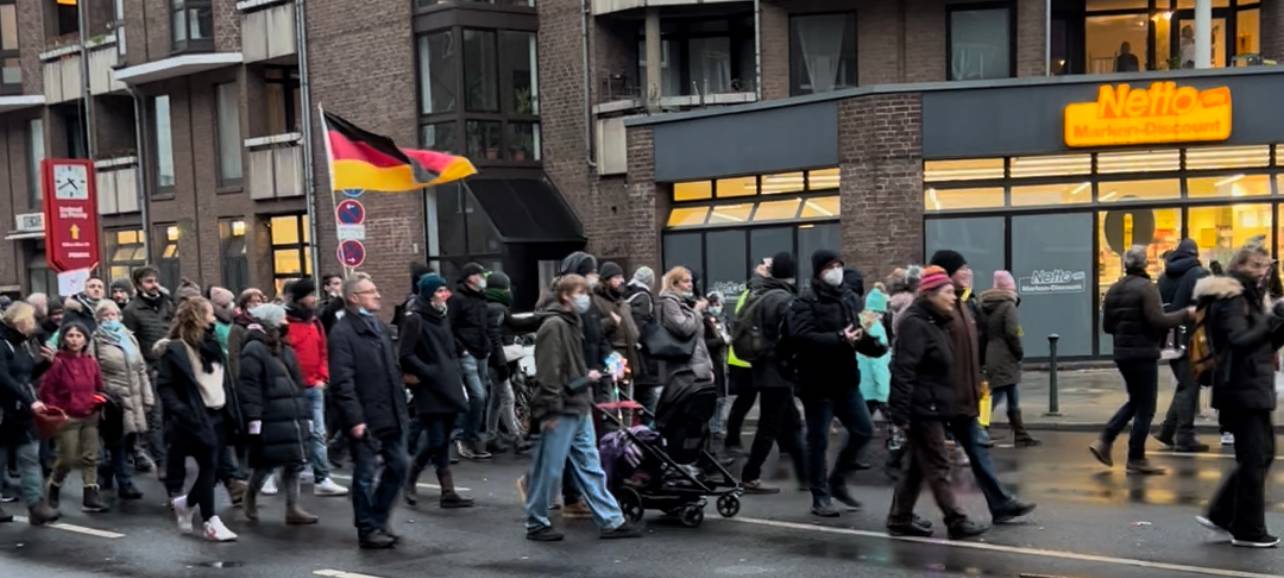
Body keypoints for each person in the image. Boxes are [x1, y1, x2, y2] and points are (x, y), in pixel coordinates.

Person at [523, 274, 641, 542]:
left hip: (577, 404)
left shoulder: (571, 322)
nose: (586, 298)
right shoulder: (554, 325)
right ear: (566, 295)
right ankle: (536, 522)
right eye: (581, 292)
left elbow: (567, 365)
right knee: (549, 468)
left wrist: (586, 376)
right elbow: (549, 372)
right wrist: (551, 410)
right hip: (563, 407)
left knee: (589, 464)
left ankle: (611, 520)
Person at [928, 250, 1036, 522]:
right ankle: (906, 515)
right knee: (922, 463)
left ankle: (1000, 504)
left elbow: (974, 346)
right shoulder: (937, 309)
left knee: (978, 448)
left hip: (963, 393)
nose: (968, 272)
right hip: (940, 396)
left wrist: (978, 380)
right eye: (962, 269)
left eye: (968, 268)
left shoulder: (966, 304)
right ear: (947, 274)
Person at [886, 266, 987, 540]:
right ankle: (956, 519)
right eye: (948, 292)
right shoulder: (915, 323)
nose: (953, 297)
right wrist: (900, 413)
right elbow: (904, 370)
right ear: (931, 293)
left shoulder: (937, 321)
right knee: (938, 463)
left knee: (916, 465)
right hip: (921, 406)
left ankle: (899, 518)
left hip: (933, 403)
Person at [1196, 241, 1284, 548]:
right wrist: (1272, 320)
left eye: (1266, 266)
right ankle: (1248, 530)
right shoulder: (1231, 297)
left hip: (1252, 384)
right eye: (1256, 266)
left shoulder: (1249, 295)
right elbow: (1237, 341)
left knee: (1261, 455)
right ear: (1240, 265)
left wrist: (1279, 323)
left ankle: (1221, 514)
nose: (1262, 272)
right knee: (1254, 459)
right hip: (1238, 386)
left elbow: (1264, 343)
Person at [789, 250, 886, 517]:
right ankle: (820, 496)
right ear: (819, 271)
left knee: (863, 430)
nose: (836, 271)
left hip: (845, 380)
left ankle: (838, 480)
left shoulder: (849, 298)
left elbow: (856, 333)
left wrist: (873, 345)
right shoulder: (805, 301)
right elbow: (801, 337)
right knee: (818, 440)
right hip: (815, 381)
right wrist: (838, 338)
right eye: (830, 267)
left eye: (838, 265)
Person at [1093, 245, 1192, 475]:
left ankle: (1105, 440)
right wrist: (1185, 314)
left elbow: (1107, 327)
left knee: (1136, 401)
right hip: (1143, 353)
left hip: (1123, 354)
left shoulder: (1115, 289)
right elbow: (1159, 321)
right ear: (1145, 263)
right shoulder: (1146, 288)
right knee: (1146, 407)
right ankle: (1135, 457)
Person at [329, 275, 410, 549]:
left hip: (390, 412)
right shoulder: (342, 333)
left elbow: (391, 369)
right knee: (364, 474)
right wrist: (355, 418)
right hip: (366, 416)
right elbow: (343, 381)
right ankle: (367, 528)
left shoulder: (378, 327)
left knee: (399, 465)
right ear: (354, 298)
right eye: (370, 291)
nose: (377, 295)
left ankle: (379, 518)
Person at [157, 297, 243, 542]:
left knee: (214, 469)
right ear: (197, 317)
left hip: (219, 413)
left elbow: (224, 381)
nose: (214, 318)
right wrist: (182, 411)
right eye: (209, 313)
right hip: (196, 416)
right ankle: (210, 521)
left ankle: (187, 504)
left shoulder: (212, 344)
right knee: (209, 466)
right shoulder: (175, 349)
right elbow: (165, 386)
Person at [238, 303, 319, 526]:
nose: (286, 322)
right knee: (266, 462)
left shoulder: (285, 348)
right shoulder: (254, 349)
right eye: (281, 318)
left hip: (290, 412)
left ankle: (293, 507)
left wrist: (304, 412)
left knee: (294, 461)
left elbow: (298, 384)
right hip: (271, 413)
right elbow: (250, 386)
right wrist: (254, 418)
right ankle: (250, 495)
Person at [400, 273, 475, 509]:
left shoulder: (442, 315)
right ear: (429, 294)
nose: (445, 295)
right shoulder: (415, 319)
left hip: (449, 383)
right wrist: (429, 371)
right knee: (436, 439)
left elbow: (447, 343)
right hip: (429, 387)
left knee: (444, 440)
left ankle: (447, 492)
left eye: (445, 290)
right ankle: (412, 478)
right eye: (440, 291)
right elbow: (405, 354)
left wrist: (460, 352)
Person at [739, 253, 808, 494]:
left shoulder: (760, 293)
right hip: (777, 371)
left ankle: (807, 476)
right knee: (769, 426)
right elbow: (792, 336)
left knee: (791, 422)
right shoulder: (782, 299)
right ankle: (750, 475)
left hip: (765, 367)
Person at [284, 279, 348, 497]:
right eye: (310, 295)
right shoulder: (285, 323)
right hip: (292, 388)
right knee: (293, 432)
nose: (314, 299)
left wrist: (322, 376)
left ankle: (322, 478)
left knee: (318, 433)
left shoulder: (315, 322)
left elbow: (323, 351)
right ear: (299, 299)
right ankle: (286, 471)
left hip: (315, 385)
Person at [39, 322, 109, 514]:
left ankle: (90, 495)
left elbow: (99, 386)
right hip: (67, 416)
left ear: (85, 340)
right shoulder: (58, 362)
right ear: (63, 339)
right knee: (67, 457)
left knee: (91, 456)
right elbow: (47, 391)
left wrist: (98, 400)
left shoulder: (90, 361)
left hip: (90, 414)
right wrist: (59, 410)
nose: (74, 340)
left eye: (79, 336)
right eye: (70, 335)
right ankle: (55, 484)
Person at [0, 302, 58, 525]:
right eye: (31, 319)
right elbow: (4, 378)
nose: (34, 324)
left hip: (22, 411)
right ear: (20, 321)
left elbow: (26, 375)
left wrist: (46, 364)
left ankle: (36, 506)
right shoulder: (3, 343)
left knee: (30, 456)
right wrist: (29, 401)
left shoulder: (22, 344)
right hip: (4, 411)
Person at [91, 301, 151, 501]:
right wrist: (99, 397)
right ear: (99, 319)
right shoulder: (97, 340)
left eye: (113, 314)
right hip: (114, 399)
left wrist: (147, 395)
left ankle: (106, 470)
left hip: (134, 395)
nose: (110, 318)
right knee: (118, 441)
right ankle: (125, 483)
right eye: (105, 315)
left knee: (129, 440)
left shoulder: (129, 337)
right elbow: (92, 369)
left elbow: (141, 368)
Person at [1157, 239, 1211, 453]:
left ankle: (1167, 431)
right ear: (1195, 254)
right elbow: (1208, 307)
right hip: (1192, 338)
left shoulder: (1163, 277)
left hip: (1169, 338)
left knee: (1185, 383)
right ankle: (1185, 436)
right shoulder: (1200, 274)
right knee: (1190, 385)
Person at [123, 266, 176, 478]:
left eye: (155, 280)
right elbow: (130, 342)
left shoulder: (167, 304)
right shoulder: (132, 310)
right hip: (151, 368)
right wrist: (143, 366)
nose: (154, 285)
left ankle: (175, 456)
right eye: (148, 281)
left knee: (175, 414)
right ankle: (161, 461)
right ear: (138, 285)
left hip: (173, 365)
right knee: (156, 417)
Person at [981, 271, 1039, 448]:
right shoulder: (1008, 306)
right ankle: (980, 430)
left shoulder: (986, 306)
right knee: (997, 394)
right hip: (1006, 356)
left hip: (992, 353)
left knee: (1011, 392)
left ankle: (1020, 433)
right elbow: (1012, 333)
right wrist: (1019, 352)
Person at [723, 258, 772, 455]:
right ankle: (731, 440)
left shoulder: (755, 291)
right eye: (766, 267)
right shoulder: (753, 293)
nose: (769, 270)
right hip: (746, 358)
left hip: (749, 356)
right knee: (745, 400)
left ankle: (788, 443)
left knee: (767, 401)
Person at [449, 262, 494, 460]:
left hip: (482, 352)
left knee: (481, 395)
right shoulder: (457, 300)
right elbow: (449, 327)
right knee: (478, 395)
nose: (483, 278)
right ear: (470, 278)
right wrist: (462, 349)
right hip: (468, 354)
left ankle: (472, 437)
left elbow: (484, 326)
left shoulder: (481, 299)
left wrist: (488, 346)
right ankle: (464, 437)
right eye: (479, 274)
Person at [483, 271, 529, 454]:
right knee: (508, 398)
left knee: (496, 400)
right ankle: (516, 437)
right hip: (498, 361)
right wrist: (501, 363)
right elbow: (495, 339)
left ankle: (491, 436)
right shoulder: (497, 309)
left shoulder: (493, 307)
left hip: (493, 360)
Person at [592, 262, 642, 422]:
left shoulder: (623, 302)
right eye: (617, 277)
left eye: (622, 277)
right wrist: (611, 322)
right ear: (606, 280)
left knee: (628, 406)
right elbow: (593, 330)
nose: (622, 281)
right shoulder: (596, 301)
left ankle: (627, 434)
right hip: (611, 358)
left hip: (628, 358)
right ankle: (613, 435)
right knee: (612, 406)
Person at [625, 265, 661, 419]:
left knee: (635, 398)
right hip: (643, 356)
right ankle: (647, 429)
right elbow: (640, 326)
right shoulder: (643, 297)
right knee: (648, 400)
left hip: (632, 355)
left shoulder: (627, 294)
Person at [859, 284, 893, 424]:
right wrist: (884, 391)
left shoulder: (859, 324)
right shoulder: (877, 329)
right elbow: (879, 363)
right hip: (874, 390)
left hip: (860, 388)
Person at [702, 291, 729, 441]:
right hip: (712, 363)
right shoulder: (705, 320)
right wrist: (721, 341)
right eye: (713, 304)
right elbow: (704, 343)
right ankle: (714, 428)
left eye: (718, 304)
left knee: (722, 398)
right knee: (716, 398)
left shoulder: (723, 319)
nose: (716, 307)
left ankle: (717, 427)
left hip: (722, 362)